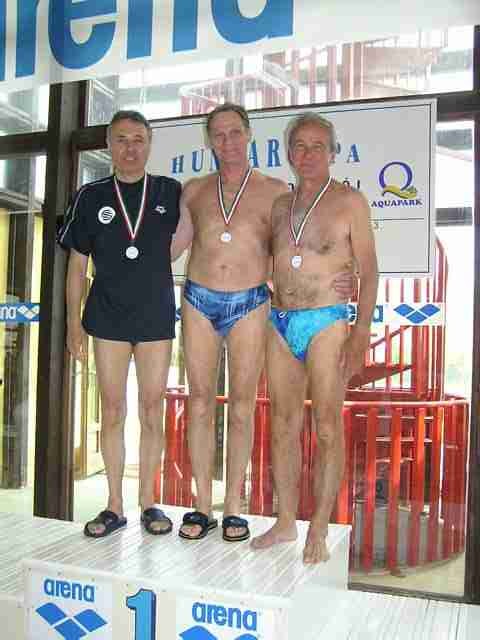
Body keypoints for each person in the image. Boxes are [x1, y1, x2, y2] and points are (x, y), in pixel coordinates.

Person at [170, 103, 354, 543]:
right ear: (209, 141)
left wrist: (340, 276)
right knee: (199, 401)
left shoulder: (275, 192)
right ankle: (202, 505)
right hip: (198, 299)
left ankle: (233, 506)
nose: (228, 142)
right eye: (219, 134)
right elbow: (173, 247)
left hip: (251, 301)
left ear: (249, 135)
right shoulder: (193, 191)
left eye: (235, 132)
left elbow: (297, 248)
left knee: (242, 406)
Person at [251, 112, 378, 563]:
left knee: (326, 427)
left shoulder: (350, 201)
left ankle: (319, 527)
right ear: (289, 153)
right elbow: (270, 260)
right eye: (300, 146)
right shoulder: (280, 206)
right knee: (283, 426)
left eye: (317, 146)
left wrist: (360, 331)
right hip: (281, 322)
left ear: (332, 153)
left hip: (327, 322)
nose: (307, 154)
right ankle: (287, 521)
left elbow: (370, 269)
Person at [58, 110, 181, 538]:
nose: (130, 148)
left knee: (151, 408)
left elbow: (200, 234)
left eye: (138, 140)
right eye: (122, 140)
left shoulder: (169, 191)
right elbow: (76, 267)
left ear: (149, 144)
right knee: (112, 409)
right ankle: (114, 504)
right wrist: (73, 325)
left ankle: (149, 501)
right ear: (109, 145)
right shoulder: (89, 196)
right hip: (107, 316)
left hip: (155, 315)